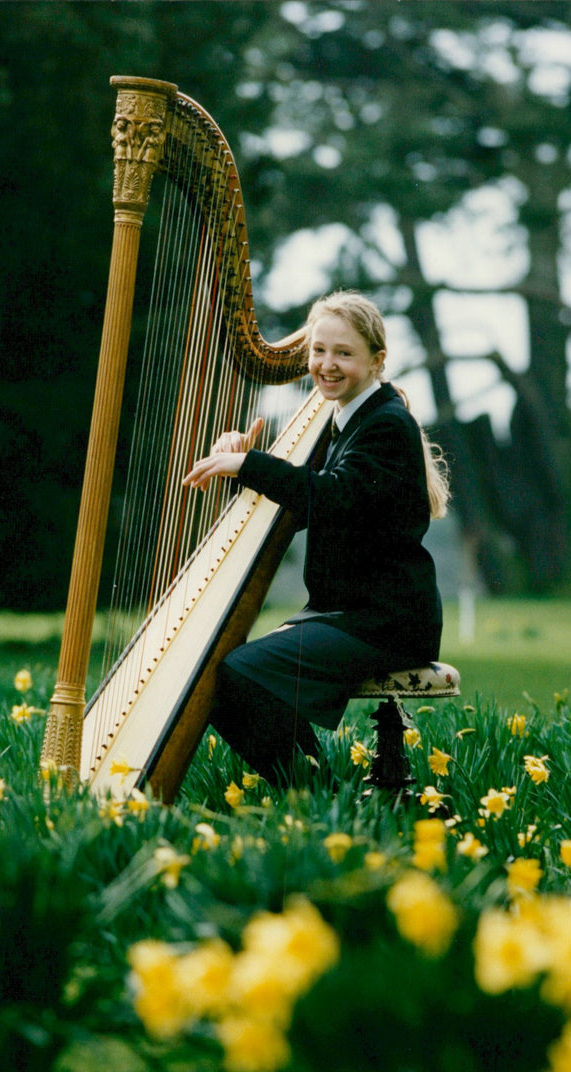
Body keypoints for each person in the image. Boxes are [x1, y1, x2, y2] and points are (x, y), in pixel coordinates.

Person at [183, 290, 450, 788]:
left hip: (386, 622)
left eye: (344, 353)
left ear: (377, 360)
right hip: (352, 612)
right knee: (233, 672)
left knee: (237, 676)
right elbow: (303, 493)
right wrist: (243, 455)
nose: (327, 365)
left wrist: (251, 465)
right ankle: (321, 792)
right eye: (318, 351)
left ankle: (318, 794)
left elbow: (330, 496)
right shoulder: (348, 417)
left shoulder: (385, 425)